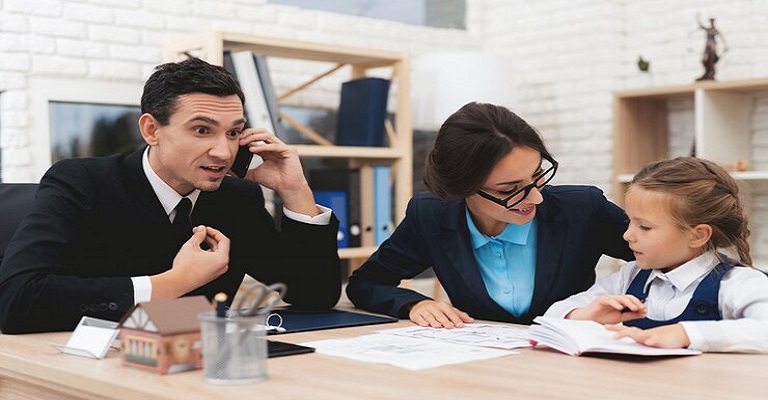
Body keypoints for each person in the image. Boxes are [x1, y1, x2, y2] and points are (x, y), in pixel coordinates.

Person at [0, 57, 341, 334]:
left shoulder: (236, 197)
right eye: (201, 130)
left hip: (205, 370)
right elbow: (15, 301)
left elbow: (313, 295)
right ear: (151, 130)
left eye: (234, 132)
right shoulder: (82, 182)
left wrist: (295, 191)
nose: (223, 152)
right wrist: (173, 283)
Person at [346, 102, 634, 328]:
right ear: (463, 189)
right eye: (510, 188)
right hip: (481, 369)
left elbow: (670, 256)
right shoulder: (432, 215)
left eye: (537, 176)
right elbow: (367, 283)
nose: (536, 197)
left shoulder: (582, 208)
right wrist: (414, 305)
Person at [544, 157, 768, 353]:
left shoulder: (738, 283)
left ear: (698, 235)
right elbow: (551, 315)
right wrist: (585, 314)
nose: (627, 235)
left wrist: (684, 334)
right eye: (629, 221)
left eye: (645, 227)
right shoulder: (630, 276)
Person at [696, 17, 727, 81]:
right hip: (707, 46)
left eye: (712, 22)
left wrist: (725, 45)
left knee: (712, 60)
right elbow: (702, 26)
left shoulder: (714, 30)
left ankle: (711, 74)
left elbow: (721, 37)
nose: (711, 23)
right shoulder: (708, 29)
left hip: (712, 46)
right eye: (711, 22)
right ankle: (707, 73)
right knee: (704, 60)